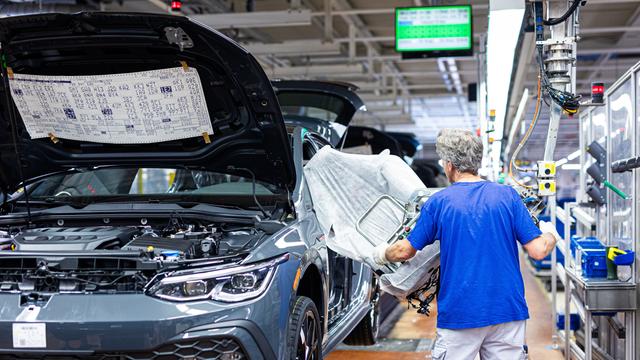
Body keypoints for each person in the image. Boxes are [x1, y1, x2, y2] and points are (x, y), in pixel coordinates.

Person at [371, 128, 560, 360]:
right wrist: (551, 234)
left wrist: (380, 254)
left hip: (460, 312)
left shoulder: (439, 202)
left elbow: (404, 251)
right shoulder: (508, 196)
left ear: (450, 164)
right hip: (507, 309)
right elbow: (539, 250)